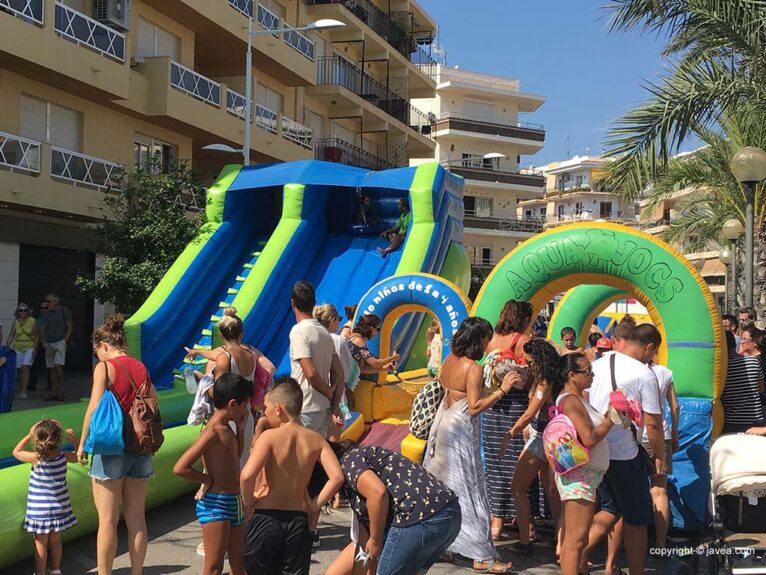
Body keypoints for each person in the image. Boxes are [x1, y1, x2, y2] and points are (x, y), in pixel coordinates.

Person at [424, 317, 515, 573]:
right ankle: (481, 555)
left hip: (442, 423)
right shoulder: (472, 367)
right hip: (461, 428)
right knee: (469, 487)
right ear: (480, 339)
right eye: (487, 337)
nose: (489, 342)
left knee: (444, 486)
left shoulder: (449, 361)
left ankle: (445, 545)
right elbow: (474, 407)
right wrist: (502, 390)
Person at [580, 324, 665, 575]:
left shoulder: (597, 363)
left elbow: (584, 397)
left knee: (609, 508)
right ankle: (636, 571)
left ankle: (575, 555)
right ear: (649, 347)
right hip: (624, 454)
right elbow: (653, 423)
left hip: (596, 449)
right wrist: (659, 456)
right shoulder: (644, 374)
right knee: (637, 519)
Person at [240, 377, 344, 575]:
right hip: (298, 521)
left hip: (266, 518)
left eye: (267, 408)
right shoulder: (315, 439)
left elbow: (246, 476)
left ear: (278, 409)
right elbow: (337, 477)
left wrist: (249, 500)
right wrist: (315, 505)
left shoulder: (269, 437)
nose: (265, 412)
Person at [77, 314, 154, 575]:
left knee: (107, 521)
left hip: (111, 447)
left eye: (96, 350)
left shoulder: (105, 368)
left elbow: (94, 408)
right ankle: (136, 572)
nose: (97, 356)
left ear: (104, 345)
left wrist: (83, 444)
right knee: (137, 518)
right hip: (141, 447)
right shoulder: (141, 367)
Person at [325, 442, 462, 575]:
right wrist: (372, 543)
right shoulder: (361, 465)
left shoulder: (349, 462)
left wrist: (375, 540)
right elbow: (364, 546)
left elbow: (378, 493)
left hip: (419, 515)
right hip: (449, 513)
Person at [174, 373, 251, 575]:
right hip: (216, 504)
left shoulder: (229, 427)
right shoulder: (213, 431)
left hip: (234, 501)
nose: (247, 410)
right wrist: (207, 479)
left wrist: (241, 430)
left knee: (238, 563)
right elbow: (180, 467)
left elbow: (235, 456)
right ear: (233, 404)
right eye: (245, 405)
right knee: (214, 567)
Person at [288, 280, 344, 546]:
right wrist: (333, 402)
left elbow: (308, 372)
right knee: (316, 470)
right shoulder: (323, 333)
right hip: (321, 410)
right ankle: (312, 528)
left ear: (293, 304)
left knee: (299, 470)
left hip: (305, 407)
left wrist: (326, 392)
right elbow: (339, 373)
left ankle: (299, 526)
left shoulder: (299, 332)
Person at [550, 353, 614, 575]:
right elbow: (589, 438)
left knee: (576, 537)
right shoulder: (570, 400)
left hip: (583, 475)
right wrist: (610, 420)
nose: (592, 376)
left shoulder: (576, 398)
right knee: (576, 540)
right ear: (572, 375)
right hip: (580, 476)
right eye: (588, 372)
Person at [185, 307, 276, 464]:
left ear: (221, 335)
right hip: (245, 417)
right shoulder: (251, 354)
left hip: (228, 419)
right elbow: (222, 354)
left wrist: (204, 382)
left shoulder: (224, 359)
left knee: (221, 466)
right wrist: (198, 352)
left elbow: (220, 394)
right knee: (241, 462)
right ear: (242, 333)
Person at [501, 338, 562, 556]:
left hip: (541, 438)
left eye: (530, 361)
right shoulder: (556, 376)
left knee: (518, 486)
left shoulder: (545, 381)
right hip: (554, 439)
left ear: (539, 359)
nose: (527, 365)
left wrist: (510, 434)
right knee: (553, 492)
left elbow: (529, 413)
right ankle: (560, 543)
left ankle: (525, 541)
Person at [481, 299, 532, 541]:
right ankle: (520, 521)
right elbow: (531, 375)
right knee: (516, 463)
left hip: (492, 407)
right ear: (523, 318)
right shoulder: (522, 341)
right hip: (514, 407)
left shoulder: (491, 340)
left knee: (494, 463)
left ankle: (495, 521)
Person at [13, 420, 79, 575]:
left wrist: (29, 434)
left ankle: (40, 573)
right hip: (59, 508)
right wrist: (74, 440)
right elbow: (79, 457)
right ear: (59, 439)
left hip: (40, 511)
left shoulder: (36, 459)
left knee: (40, 544)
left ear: (37, 439)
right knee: (55, 541)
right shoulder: (64, 456)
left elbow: (16, 452)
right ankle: (56, 570)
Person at [642, 356, 679, 549]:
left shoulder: (632, 370)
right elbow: (674, 406)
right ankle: (661, 542)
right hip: (662, 434)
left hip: (638, 436)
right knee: (660, 489)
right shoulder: (665, 372)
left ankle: (632, 539)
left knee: (634, 488)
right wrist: (674, 434)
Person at [721, 331, 764, 433]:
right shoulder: (753, 361)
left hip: (730, 422)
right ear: (735, 344)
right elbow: (761, 389)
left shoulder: (721, 369)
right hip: (755, 422)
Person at [40, 294, 72, 402]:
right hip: (49, 342)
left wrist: (65, 340)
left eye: (48, 301)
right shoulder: (47, 313)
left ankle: (61, 389)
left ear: (55, 301)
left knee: (58, 365)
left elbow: (70, 326)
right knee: (51, 368)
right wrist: (43, 340)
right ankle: (54, 392)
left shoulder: (64, 310)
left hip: (60, 341)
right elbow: (44, 327)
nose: (47, 303)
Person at [7, 302, 38, 400]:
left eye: (25, 310)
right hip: (18, 347)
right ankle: (21, 390)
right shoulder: (16, 322)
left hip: (29, 346)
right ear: (18, 312)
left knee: (25, 368)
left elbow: (37, 336)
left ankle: (24, 392)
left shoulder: (32, 321)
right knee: (20, 370)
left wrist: (35, 348)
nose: (23, 312)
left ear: (28, 311)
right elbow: (11, 335)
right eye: (21, 310)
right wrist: (7, 347)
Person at [28, 301, 50, 393]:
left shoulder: (52, 318)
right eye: (42, 308)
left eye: (46, 308)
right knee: (35, 366)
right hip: (39, 344)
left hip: (50, 344)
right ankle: (32, 385)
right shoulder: (38, 320)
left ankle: (50, 386)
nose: (44, 310)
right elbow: (37, 332)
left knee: (50, 366)